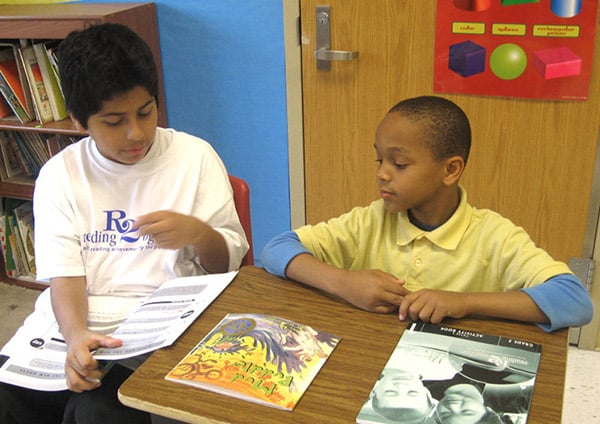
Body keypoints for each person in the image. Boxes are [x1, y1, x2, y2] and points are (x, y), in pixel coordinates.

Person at [0, 23, 248, 424]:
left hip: (161, 328)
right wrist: (76, 337)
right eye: (114, 122)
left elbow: (228, 267)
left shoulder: (193, 157)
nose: (136, 133)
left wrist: (198, 233)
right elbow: (65, 278)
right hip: (77, 320)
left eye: (145, 112)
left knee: (96, 412)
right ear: (80, 123)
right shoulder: (61, 174)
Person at [260, 95, 592, 331]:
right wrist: (344, 282)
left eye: (399, 163)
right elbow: (277, 249)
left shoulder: (494, 236)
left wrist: (463, 302)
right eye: (380, 160)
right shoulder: (371, 220)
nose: (382, 174)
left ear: (451, 170)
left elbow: (574, 300)